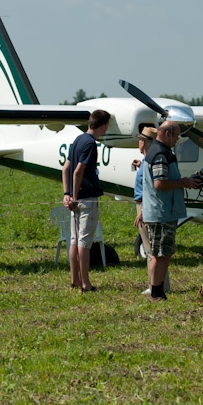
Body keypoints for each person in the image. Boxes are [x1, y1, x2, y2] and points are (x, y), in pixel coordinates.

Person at [142, 120, 202, 301]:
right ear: (167, 134)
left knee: (161, 253)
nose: (177, 139)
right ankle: (156, 292)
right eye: (176, 136)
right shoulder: (160, 154)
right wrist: (183, 182)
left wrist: (185, 181)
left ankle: (157, 290)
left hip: (163, 211)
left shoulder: (161, 152)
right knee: (161, 254)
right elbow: (159, 183)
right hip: (162, 212)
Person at [61, 109, 111, 292]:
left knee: (74, 240)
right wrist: (75, 196)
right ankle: (86, 283)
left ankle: (74, 280)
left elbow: (65, 168)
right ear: (103, 125)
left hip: (76, 199)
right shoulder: (90, 144)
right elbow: (77, 172)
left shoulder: (78, 140)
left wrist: (67, 193)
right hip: (86, 199)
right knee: (84, 242)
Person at [132, 126, 171, 296]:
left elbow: (150, 189)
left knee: (151, 250)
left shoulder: (151, 158)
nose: (139, 143)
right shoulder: (147, 160)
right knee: (157, 250)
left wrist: (143, 211)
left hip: (144, 205)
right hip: (144, 205)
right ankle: (161, 284)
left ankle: (154, 285)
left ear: (146, 142)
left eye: (141, 140)